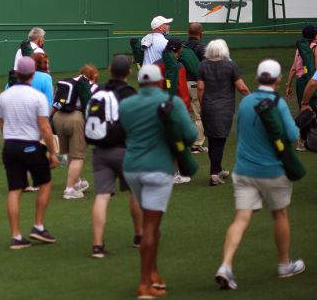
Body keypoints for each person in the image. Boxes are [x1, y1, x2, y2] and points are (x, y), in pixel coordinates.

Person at [214, 59, 305, 290]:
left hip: (244, 170)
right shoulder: (279, 104)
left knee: (241, 218)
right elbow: (293, 135)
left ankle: (226, 265)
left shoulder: (245, 103)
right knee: (280, 215)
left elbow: (240, 130)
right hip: (273, 171)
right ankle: (284, 265)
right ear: (277, 79)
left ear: (258, 78)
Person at [119, 65, 197, 299]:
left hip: (131, 167)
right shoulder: (170, 102)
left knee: (151, 223)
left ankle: (153, 273)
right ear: (160, 81)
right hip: (158, 168)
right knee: (152, 226)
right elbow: (191, 135)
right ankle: (145, 284)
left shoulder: (126, 104)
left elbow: (124, 131)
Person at [0, 56, 60, 249]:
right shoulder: (37, 97)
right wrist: (52, 152)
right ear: (32, 74)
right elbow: (45, 127)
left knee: (14, 190)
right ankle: (38, 226)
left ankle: (16, 236)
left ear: (17, 73)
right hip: (30, 146)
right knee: (45, 183)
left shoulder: (4, 95)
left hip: (10, 146)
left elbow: (1, 123)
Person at [89, 55, 143, 259]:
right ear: (129, 72)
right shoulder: (129, 94)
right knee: (136, 193)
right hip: (125, 150)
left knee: (102, 196)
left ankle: (97, 245)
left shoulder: (99, 90)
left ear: (110, 69)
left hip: (100, 150)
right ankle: (139, 236)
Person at [198, 39, 250, 186]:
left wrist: (202, 105)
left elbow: (200, 88)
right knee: (219, 141)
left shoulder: (202, 65)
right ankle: (214, 174)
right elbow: (241, 87)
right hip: (224, 108)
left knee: (212, 140)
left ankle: (218, 169)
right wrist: (253, 97)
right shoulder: (230, 65)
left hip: (208, 107)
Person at [53, 64, 98, 200]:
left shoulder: (66, 82)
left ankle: (77, 182)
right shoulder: (90, 86)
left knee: (68, 154)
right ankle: (69, 190)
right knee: (78, 156)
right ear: (93, 76)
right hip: (75, 119)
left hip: (58, 118)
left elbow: (55, 104)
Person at [183, 22, 207, 154]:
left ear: (188, 33)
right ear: (201, 33)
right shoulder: (202, 47)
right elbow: (205, 66)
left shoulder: (182, 46)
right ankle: (196, 145)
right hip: (195, 84)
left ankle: (185, 142)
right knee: (198, 115)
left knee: (186, 114)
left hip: (182, 84)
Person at [285, 24, 317, 111]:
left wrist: (288, 85)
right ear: (314, 36)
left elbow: (293, 69)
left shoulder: (300, 49)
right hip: (312, 81)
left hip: (300, 83)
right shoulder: (315, 47)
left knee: (304, 110)